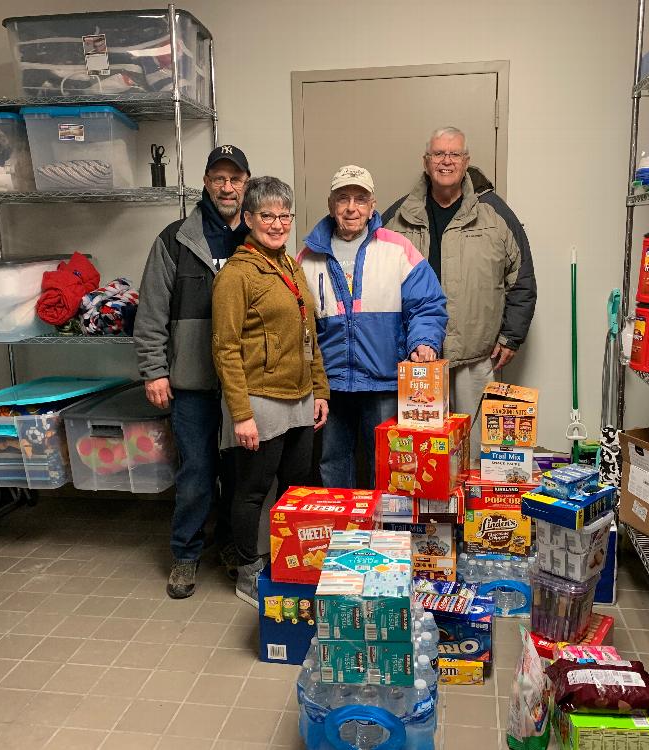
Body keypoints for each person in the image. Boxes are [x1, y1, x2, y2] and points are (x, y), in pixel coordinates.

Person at [134, 144, 252, 599]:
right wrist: (154, 371)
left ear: (246, 183)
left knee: (241, 475)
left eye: (235, 179)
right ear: (205, 182)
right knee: (197, 473)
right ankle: (185, 554)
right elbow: (151, 314)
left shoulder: (260, 236)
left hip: (245, 385)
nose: (227, 187)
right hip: (193, 384)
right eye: (218, 178)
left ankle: (230, 547)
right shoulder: (174, 239)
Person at [211, 176, 330, 606]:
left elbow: (307, 334)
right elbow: (224, 348)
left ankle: (292, 562)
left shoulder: (290, 265)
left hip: (299, 397)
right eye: (267, 215)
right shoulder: (237, 275)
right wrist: (241, 414)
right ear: (248, 218)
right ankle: (248, 571)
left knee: (297, 486)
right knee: (251, 491)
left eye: (284, 215)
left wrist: (321, 390)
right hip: (260, 401)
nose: (277, 224)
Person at [382, 126, 537, 443]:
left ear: (466, 161)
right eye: (438, 153)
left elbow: (522, 277)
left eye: (454, 154)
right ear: (426, 161)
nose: (446, 161)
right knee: (419, 450)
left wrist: (511, 336)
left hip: (474, 358)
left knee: (476, 448)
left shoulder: (495, 214)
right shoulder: (396, 217)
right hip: (415, 361)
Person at [298, 165, 447, 489]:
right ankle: (342, 533)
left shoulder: (399, 250)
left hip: (383, 383)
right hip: (331, 387)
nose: (351, 207)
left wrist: (423, 342)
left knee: (389, 466)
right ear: (330, 204)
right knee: (332, 464)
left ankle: (383, 538)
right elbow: (297, 324)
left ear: (372, 205)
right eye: (343, 198)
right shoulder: (307, 258)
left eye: (360, 199)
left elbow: (426, 304)